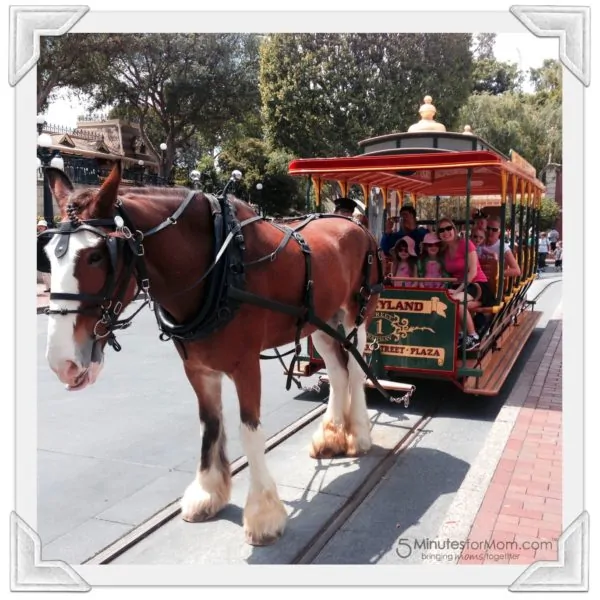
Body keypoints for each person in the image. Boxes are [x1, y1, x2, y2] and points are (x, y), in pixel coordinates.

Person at [437, 217, 494, 351]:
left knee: (456, 301)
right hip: (459, 287)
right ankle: (460, 334)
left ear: (454, 229)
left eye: (448, 228)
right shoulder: (444, 251)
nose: (445, 232)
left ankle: (473, 336)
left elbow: (472, 272)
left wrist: (457, 291)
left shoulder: (466, 244)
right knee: (444, 301)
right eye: (441, 230)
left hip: (476, 285)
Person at [36, 219, 52, 292]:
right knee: (44, 274)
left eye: (42, 226)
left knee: (46, 274)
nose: (40, 228)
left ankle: (50, 288)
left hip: (46, 258)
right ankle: (48, 288)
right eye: (39, 226)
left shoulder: (47, 235)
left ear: (45, 227)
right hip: (40, 258)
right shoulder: (39, 235)